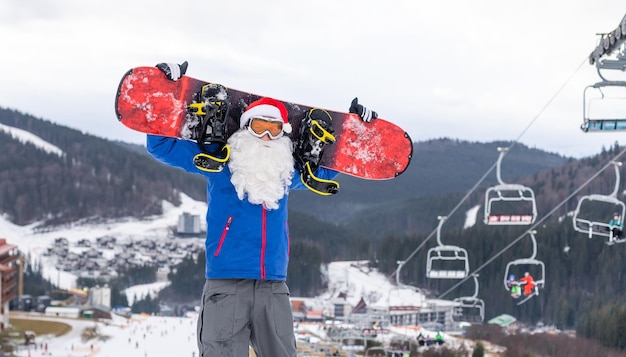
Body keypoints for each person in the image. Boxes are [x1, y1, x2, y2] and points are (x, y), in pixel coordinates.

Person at [148, 61, 378, 357]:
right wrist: (164, 90)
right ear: (245, 130)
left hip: (273, 285)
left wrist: (359, 130)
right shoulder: (220, 163)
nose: (267, 137)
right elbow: (161, 147)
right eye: (259, 127)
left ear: (284, 134)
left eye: (274, 130)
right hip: (226, 281)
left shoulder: (286, 173)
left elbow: (329, 171)